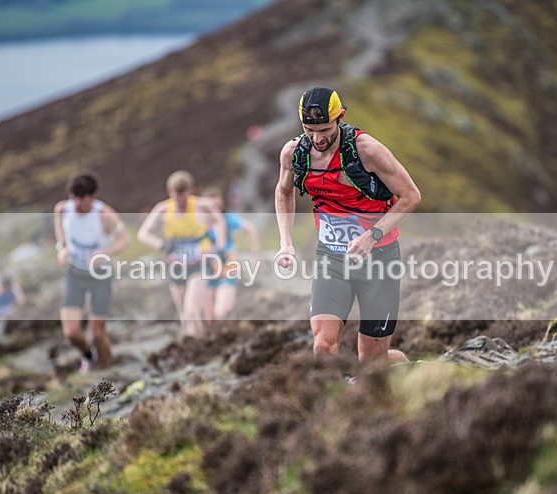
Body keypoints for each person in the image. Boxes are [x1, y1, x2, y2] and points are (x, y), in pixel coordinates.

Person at [274, 86, 421, 364]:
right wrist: (286, 243)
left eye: (325, 129)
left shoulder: (368, 151)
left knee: (371, 363)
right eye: (308, 130)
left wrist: (372, 236)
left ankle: (406, 367)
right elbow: (283, 192)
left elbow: (411, 196)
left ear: (340, 118)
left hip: (379, 259)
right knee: (323, 347)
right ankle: (335, 405)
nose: (316, 138)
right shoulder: (293, 153)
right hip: (331, 257)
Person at [54, 172, 129, 372]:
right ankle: (88, 356)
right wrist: (61, 247)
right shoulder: (63, 208)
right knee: (71, 332)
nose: (77, 203)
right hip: (75, 274)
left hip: (100, 276)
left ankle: (106, 373)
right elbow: (59, 225)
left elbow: (125, 240)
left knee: (97, 334)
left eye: (83, 198)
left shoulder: (104, 215)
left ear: (93, 196)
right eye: (74, 198)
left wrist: (104, 252)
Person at [137, 170, 226, 337]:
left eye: (183, 197)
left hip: (199, 264)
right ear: (169, 192)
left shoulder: (201, 205)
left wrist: (219, 246)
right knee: (184, 316)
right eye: (175, 197)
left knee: (191, 310)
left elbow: (219, 220)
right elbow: (143, 234)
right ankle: (196, 343)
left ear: (190, 191)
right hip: (176, 266)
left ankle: (198, 348)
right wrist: (162, 245)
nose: (179, 202)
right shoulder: (162, 209)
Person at [201, 187, 260, 322]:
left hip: (227, 267)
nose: (216, 210)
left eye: (218, 206)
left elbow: (250, 228)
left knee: (221, 313)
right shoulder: (200, 224)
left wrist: (256, 254)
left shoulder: (226, 219)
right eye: (212, 206)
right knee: (208, 319)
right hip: (206, 271)